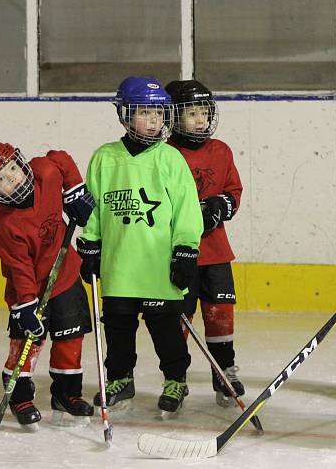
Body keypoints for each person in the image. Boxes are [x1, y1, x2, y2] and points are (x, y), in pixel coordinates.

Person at [76, 76, 203, 418]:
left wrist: (186, 249)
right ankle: (120, 378)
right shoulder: (105, 158)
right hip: (119, 266)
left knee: (166, 330)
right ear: (124, 115)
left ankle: (175, 379)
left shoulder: (170, 159)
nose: (154, 121)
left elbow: (187, 209)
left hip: (158, 265)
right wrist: (89, 243)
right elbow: (94, 206)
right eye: (145, 113)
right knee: (117, 327)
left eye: (160, 114)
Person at [0, 141, 96, 430]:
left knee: (70, 338)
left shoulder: (44, 174)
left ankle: (67, 395)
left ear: (20, 163)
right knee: (27, 344)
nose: (11, 178)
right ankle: (20, 397)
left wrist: (75, 190)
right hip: (29, 292)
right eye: (0, 180)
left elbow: (61, 158)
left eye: (12, 169)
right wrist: (26, 305)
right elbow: (19, 267)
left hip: (65, 277)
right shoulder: (4, 222)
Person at [165, 79, 245, 407]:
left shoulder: (221, 150)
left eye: (204, 112)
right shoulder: (165, 154)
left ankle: (224, 370)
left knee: (220, 314)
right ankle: (176, 378)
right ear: (173, 117)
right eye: (191, 113)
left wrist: (219, 206)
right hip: (178, 255)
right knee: (177, 319)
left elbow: (234, 192)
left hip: (215, 253)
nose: (200, 119)